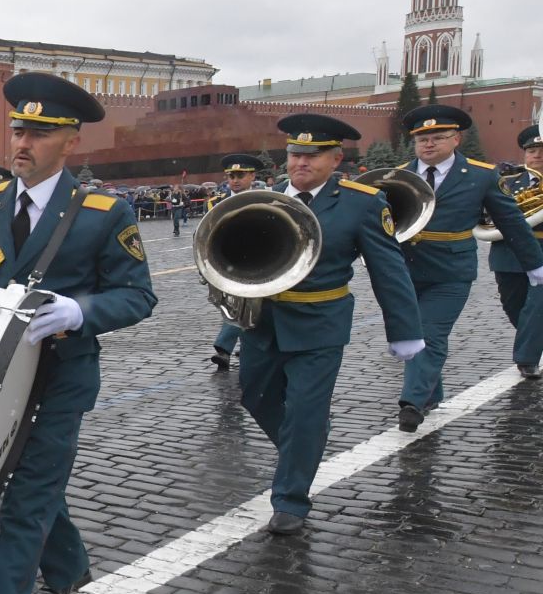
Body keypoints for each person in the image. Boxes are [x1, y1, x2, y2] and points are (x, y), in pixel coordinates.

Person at [0, 74, 156, 594]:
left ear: (70, 143)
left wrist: (82, 311)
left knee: (25, 500)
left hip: (60, 378)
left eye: (39, 133)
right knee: (26, 481)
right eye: (18, 129)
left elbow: (138, 295)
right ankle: (70, 570)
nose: (23, 142)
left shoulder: (101, 213)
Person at [235, 115, 423, 534]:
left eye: (312, 155)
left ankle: (290, 500)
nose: (300, 162)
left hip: (320, 322)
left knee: (304, 410)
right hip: (263, 323)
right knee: (255, 397)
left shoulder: (362, 202)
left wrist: (405, 330)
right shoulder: (262, 198)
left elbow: (388, 269)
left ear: (336, 158)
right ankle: (307, 442)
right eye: (294, 154)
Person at [395, 105, 543, 430]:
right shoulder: (398, 176)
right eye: (421, 139)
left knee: (430, 333)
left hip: (450, 270)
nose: (428, 144)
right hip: (403, 271)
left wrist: (535, 265)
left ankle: (413, 402)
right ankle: (432, 394)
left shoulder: (480, 175)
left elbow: (512, 222)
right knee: (411, 331)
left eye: (437, 137)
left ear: (456, 138)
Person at [488, 124, 543, 378]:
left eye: (542, 150)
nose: (537, 155)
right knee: (515, 306)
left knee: (538, 305)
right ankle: (533, 341)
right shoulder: (507, 182)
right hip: (508, 252)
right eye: (531, 150)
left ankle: (526, 359)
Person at [208, 157, 262, 371]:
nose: (235, 180)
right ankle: (230, 348)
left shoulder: (265, 198)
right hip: (229, 261)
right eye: (231, 176)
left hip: (262, 261)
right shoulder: (216, 202)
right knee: (234, 305)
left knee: (250, 306)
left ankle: (226, 348)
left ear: (252, 176)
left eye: (240, 176)